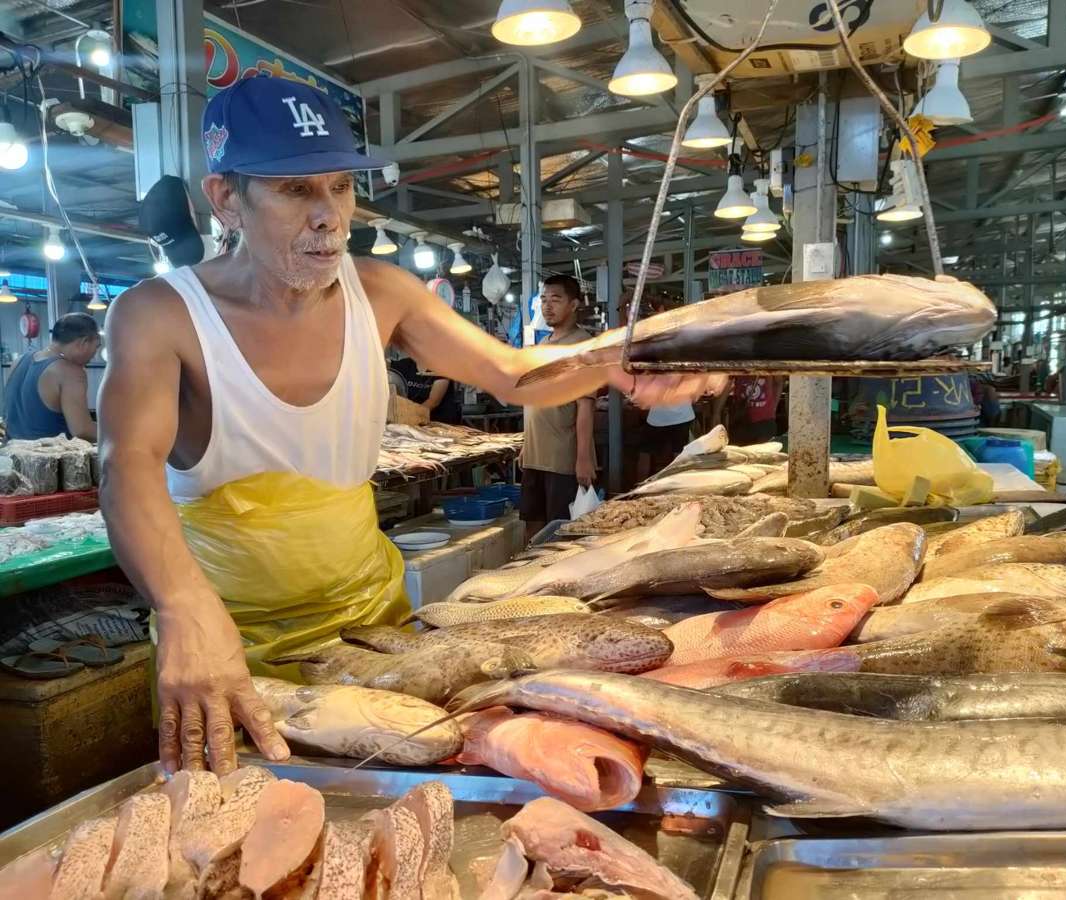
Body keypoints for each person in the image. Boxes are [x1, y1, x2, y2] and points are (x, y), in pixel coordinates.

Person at [97, 76, 720, 777]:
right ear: (225, 200)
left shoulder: (382, 292)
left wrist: (617, 364)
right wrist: (182, 608)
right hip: (221, 637)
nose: (329, 217)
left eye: (340, 187)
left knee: (392, 802)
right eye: (295, 191)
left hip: (368, 624)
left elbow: (514, 372)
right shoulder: (161, 314)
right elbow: (127, 466)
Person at [518, 274, 597, 542]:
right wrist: (526, 445)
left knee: (560, 531)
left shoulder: (582, 346)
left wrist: (583, 458)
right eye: (544, 299)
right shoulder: (544, 345)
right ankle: (528, 575)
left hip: (562, 459)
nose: (547, 306)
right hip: (534, 456)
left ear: (574, 305)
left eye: (556, 299)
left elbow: (585, 406)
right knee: (532, 525)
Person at [4, 313, 100, 441]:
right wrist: (124, 433)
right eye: (96, 346)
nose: (94, 355)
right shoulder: (70, 372)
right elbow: (82, 430)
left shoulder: (19, 361)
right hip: (48, 458)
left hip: (9, 456)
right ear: (84, 342)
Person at [390, 357, 460, 424]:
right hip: (413, 421)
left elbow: (433, 401)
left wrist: (410, 416)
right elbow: (386, 364)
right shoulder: (405, 364)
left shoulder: (441, 367)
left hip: (437, 422)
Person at [718, 376, 783, 444]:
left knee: (764, 452)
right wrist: (716, 412)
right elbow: (728, 382)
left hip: (764, 422)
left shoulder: (771, 366)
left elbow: (778, 382)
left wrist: (773, 407)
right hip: (741, 421)